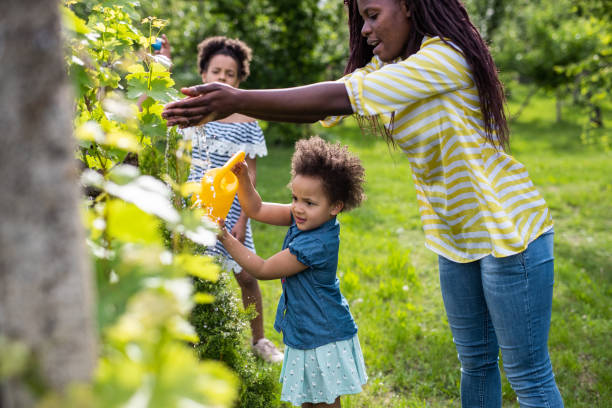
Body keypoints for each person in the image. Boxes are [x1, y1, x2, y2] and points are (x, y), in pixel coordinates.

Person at [162, 0, 564, 406]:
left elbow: (334, 100)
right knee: (475, 362)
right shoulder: (387, 69)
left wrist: (236, 99)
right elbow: (327, 105)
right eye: (361, 20)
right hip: (455, 239)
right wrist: (231, 103)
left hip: (508, 230)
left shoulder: (445, 57)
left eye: (372, 15)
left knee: (527, 375)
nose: (366, 30)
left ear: (408, 6)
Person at [218, 136, 368, 408]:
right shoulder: (308, 218)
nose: (298, 207)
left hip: (322, 335)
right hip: (306, 330)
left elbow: (262, 269)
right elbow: (257, 208)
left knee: (323, 403)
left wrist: (226, 239)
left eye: (309, 202)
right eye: (295, 198)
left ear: (335, 207)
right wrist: (243, 180)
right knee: (308, 401)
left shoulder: (317, 243)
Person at [167, 35, 283, 363]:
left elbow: (252, 174)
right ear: (203, 74)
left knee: (246, 275)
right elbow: (176, 159)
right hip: (194, 208)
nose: (222, 78)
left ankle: (259, 340)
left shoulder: (246, 120)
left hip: (232, 211)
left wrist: (245, 218)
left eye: (230, 74)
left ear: (239, 79)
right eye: (216, 71)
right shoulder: (190, 114)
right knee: (192, 274)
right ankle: (191, 340)